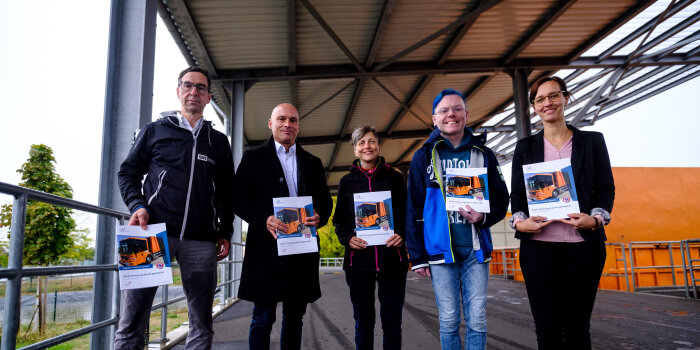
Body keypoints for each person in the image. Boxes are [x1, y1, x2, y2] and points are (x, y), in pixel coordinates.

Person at [117, 66, 235, 350]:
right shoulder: (155, 131)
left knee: (201, 320)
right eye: (188, 85)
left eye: (201, 88)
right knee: (133, 318)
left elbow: (227, 192)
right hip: (149, 232)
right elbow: (127, 173)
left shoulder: (217, 141)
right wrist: (137, 205)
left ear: (208, 97)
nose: (194, 92)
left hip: (200, 239)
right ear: (178, 91)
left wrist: (224, 231)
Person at [509, 76, 615, 350]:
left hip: (583, 248)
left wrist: (596, 218)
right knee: (547, 329)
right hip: (539, 250)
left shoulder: (592, 141)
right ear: (533, 107)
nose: (548, 103)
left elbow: (605, 188)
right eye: (540, 99)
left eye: (554, 95)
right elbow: (518, 195)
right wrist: (519, 223)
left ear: (566, 98)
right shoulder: (525, 147)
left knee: (579, 327)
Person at [405, 89, 509, 350]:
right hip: (440, 250)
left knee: (478, 319)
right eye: (444, 110)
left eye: (457, 109)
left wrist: (484, 217)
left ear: (466, 114)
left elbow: (501, 198)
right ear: (434, 119)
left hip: (475, 249)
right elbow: (414, 208)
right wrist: (417, 256)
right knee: (449, 320)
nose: (451, 114)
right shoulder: (422, 157)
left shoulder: (484, 153)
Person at [235, 103, 333, 350]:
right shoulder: (252, 158)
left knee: (294, 318)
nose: (287, 124)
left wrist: (319, 215)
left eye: (292, 120)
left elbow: (324, 201)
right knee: (263, 317)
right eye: (281, 119)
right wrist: (262, 218)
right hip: (266, 251)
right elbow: (237, 200)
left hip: (302, 250)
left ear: (298, 126)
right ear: (271, 124)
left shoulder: (313, 162)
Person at [333, 125, 409, 350]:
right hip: (359, 264)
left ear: (378, 145)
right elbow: (340, 221)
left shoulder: (394, 179)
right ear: (355, 150)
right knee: (363, 324)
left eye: (371, 141)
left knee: (392, 324)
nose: (367, 146)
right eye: (361, 143)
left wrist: (402, 235)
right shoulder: (346, 182)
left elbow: (407, 214)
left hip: (392, 261)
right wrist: (347, 238)